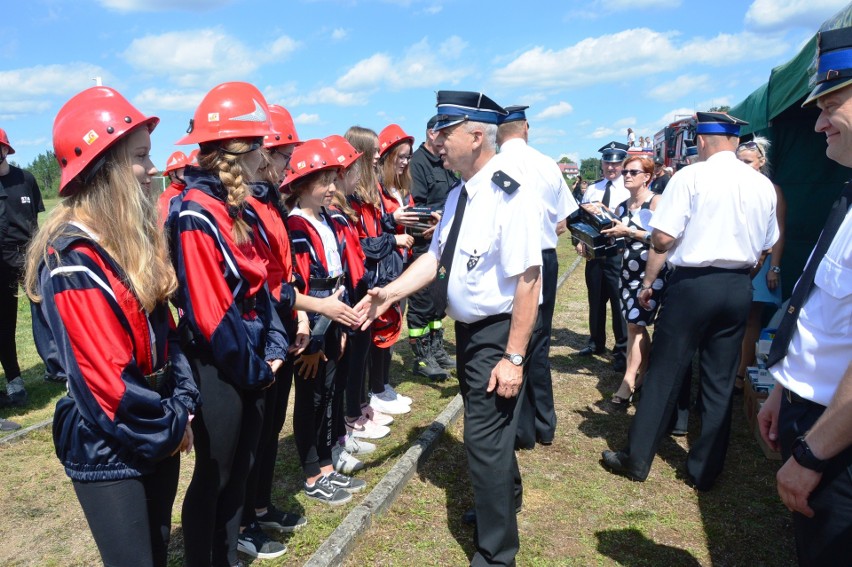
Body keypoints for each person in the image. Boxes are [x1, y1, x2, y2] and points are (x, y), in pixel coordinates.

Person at [356, 90, 541, 566]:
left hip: (498, 334)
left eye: (445, 131)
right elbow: (437, 257)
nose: (435, 140)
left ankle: (497, 554)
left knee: (483, 440)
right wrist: (391, 292)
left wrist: (514, 356)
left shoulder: (510, 193)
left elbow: (528, 280)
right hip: (472, 333)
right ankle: (502, 500)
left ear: (476, 135)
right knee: (492, 436)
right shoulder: (461, 193)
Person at [24, 86, 199, 567]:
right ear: (105, 165)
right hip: (111, 443)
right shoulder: (72, 260)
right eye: (141, 156)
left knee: (159, 549)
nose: (154, 168)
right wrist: (170, 424)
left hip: (155, 421)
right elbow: (105, 383)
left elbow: (170, 335)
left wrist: (181, 404)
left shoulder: (127, 242)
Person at [601, 112, 779, 491]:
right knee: (718, 380)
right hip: (736, 285)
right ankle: (706, 469)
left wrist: (650, 281)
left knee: (665, 371)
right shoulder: (762, 184)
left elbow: (662, 239)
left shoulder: (690, 177)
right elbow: (766, 245)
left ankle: (636, 458)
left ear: (701, 141)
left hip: (693, 284)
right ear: (735, 140)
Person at [171, 81, 289, 567]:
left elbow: (266, 286)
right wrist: (258, 368)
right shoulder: (198, 215)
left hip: (253, 358)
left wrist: (276, 342)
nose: (267, 155)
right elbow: (212, 313)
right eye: (259, 145)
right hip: (221, 366)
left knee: (241, 469)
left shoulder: (240, 209)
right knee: (216, 474)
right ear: (235, 153)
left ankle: (229, 555)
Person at [757, 26, 852, 565]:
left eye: (831, 104)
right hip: (813, 414)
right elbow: (823, 315)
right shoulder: (847, 195)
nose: (817, 122)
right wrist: (781, 391)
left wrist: (814, 454)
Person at [284, 139, 367, 506]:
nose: (333, 188)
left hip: (334, 323)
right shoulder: (297, 226)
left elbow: (339, 278)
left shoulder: (328, 221)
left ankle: (327, 462)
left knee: (330, 394)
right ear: (302, 183)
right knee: (311, 398)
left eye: (334, 179)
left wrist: (343, 329)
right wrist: (314, 339)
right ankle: (311, 470)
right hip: (312, 328)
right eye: (324, 181)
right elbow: (300, 284)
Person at [496, 104, 577, 447]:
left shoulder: (493, 166)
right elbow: (566, 218)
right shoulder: (546, 164)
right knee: (539, 342)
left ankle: (519, 427)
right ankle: (544, 424)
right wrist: (543, 234)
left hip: (506, 259)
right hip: (543, 256)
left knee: (509, 340)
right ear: (526, 127)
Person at [345, 126, 414, 414]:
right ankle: (359, 407)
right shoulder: (351, 197)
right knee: (358, 351)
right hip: (362, 279)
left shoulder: (367, 192)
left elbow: (375, 228)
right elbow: (362, 244)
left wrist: (390, 222)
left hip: (380, 274)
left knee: (384, 332)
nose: (378, 155)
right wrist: (392, 236)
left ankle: (369, 399)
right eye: (374, 150)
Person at [599, 155, 667, 411]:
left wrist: (629, 232)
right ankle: (642, 373)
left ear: (647, 177)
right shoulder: (621, 206)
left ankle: (627, 383)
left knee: (635, 325)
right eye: (625, 171)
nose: (626, 175)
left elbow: (663, 239)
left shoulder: (657, 202)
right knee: (634, 327)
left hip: (651, 275)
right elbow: (616, 244)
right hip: (627, 273)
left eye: (633, 172)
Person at [406, 115, 459, 380]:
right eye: (443, 134)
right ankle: (422, 357)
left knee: (438, 304)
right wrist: (435, 220)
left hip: (442, 245)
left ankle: (436, 348)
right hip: (423, 244)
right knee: (422, 303)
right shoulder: (417, 164)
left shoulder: (445, 164)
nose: (446, 140)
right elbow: (414, 206)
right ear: (430, 133)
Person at [734, 136, 786, 392]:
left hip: (762, 263)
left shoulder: (771, 189)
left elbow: (779, 231)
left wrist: (774, 267)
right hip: (738, 259)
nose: (742, 166)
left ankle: (742, 372)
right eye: (739, 161)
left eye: (748, 162)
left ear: (760, 162)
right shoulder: (732, 188)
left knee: (752, 317)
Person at [0, 127, 43, 412]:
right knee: (5, 322)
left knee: (46, 314)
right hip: (1, 261)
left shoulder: (25, 179)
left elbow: (36, 223)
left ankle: (58, 367)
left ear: (5, 150)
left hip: (29, 256)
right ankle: (14, 379)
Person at [577, 141, 629, 371]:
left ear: (623, 165)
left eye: (616, 163)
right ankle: (596, 342)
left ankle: (622, 349)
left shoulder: (628, 189)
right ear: (602, 163)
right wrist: (579, 241)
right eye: (608, 162)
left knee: (619, 304)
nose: (611, 167)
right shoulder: (593, 189)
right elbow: (582, 219)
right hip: (595, 253)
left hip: (619, 252)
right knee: (596, 300)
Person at [157, 150, 187, 226]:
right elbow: (162, 227)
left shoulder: (189, 190)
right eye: (183, 170)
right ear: (172, 173)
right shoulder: (166, 197)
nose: (188, 173)